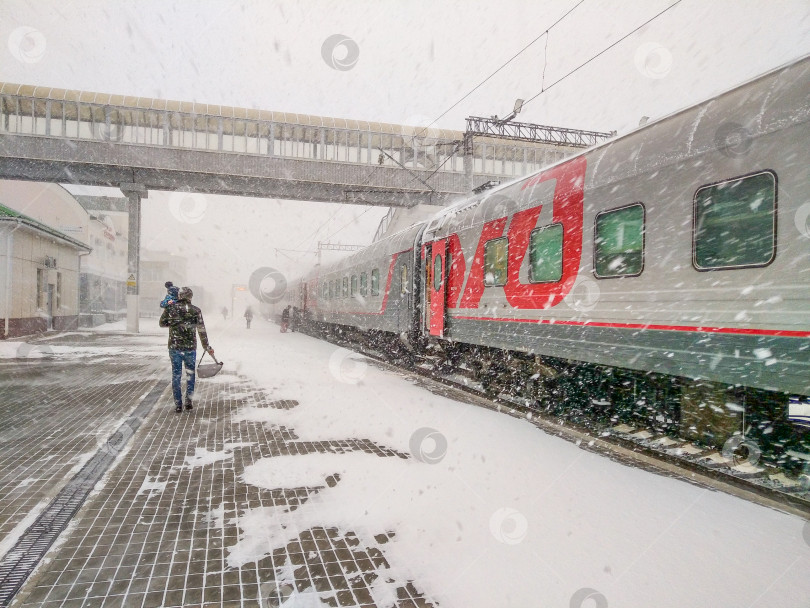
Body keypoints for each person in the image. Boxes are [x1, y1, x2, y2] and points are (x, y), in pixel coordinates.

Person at [159, 287, 214, 413]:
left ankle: (178, 404)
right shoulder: (196, 310)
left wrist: (173, 322)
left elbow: (162, 323)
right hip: (190, 348)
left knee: (176, 375)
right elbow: (201, 330)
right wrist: (206, 346)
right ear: (190, 297)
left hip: (175, 347)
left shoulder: (171, 308)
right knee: (190, 374)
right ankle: (188, 402)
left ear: (179, 296)